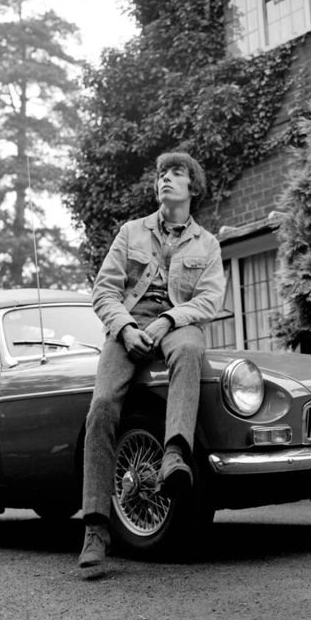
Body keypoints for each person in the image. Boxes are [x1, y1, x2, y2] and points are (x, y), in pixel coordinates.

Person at [78, 152, 225, 569]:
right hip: (128, 325)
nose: (166, 180)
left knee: (192, 350)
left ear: (192, 187)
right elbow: (103, 291)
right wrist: (124, 329)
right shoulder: (130, 232)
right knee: (103, 405)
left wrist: (168, 321)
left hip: (177, 323)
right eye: (162, 174)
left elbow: (210, 299)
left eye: (176, 174)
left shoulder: (208, 244)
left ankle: (175, 455)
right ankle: (94, 528)